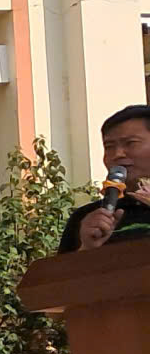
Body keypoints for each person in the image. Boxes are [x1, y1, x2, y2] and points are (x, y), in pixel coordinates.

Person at [60, 103, 150, 250]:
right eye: (109, 147)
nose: (117, 154)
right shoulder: (88, 218)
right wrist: (87, 247)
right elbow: (63, 265)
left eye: (131, 143)